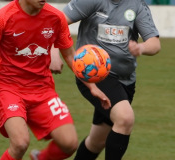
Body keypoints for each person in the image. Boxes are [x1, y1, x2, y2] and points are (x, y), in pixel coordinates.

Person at [50, 0, 161, 159]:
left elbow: (155, 43)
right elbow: (56, 22)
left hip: (126, 81)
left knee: (97, 141)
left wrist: (141, 48)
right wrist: (53, 52)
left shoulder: (137, 5)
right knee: (125, 118)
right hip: (93, 75)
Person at [0, 0, 79, 160]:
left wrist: (93, 87)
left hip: (42, 90)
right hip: (9, 89)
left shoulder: (56, 17)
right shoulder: (2, 17)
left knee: (69, 143)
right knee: (20, 143)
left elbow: (70, 55)